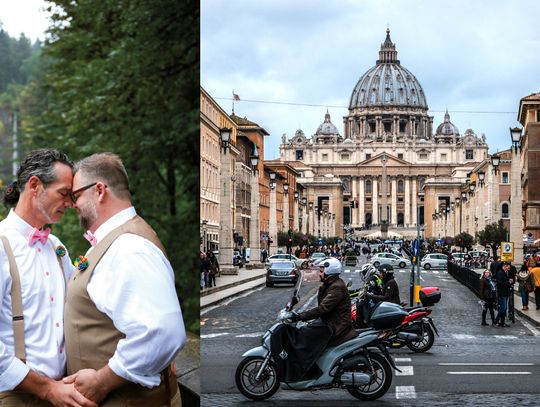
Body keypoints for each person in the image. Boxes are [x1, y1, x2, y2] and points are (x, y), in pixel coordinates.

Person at [63, 153, 186, 406]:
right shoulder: (119, 240)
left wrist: (102, 381)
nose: (73, 204)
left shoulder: (129, 248)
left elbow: (162, 332)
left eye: (75, 195)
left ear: (99, 190)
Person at [0, 149, 97, 406]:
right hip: (15, 396)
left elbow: (82, 309)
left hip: (64, 390)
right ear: (35, 185)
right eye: (64, 193)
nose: (72, 204)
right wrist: (46, 389)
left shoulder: (56, 247)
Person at [290, 258, 357, 346]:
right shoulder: (330, 284)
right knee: (305, 330)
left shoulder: (336, 287)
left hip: (337, 327)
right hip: (330, 322)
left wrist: (299, 316)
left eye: (321, 272)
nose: (319, 274)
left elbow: (323, 308)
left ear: (329, 272)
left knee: (306, 337)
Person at [494, 262, 513, 327]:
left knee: (504, 309)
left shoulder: (505, 272)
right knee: (503, 308)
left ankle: (502, 322)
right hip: (502, 293)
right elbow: (499, 283)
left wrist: (509, 281)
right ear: (505, 266)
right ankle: (496, 321)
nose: (509, 268)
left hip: (506, 292)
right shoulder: (500, 273)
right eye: (508, 267)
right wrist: (508, 282)